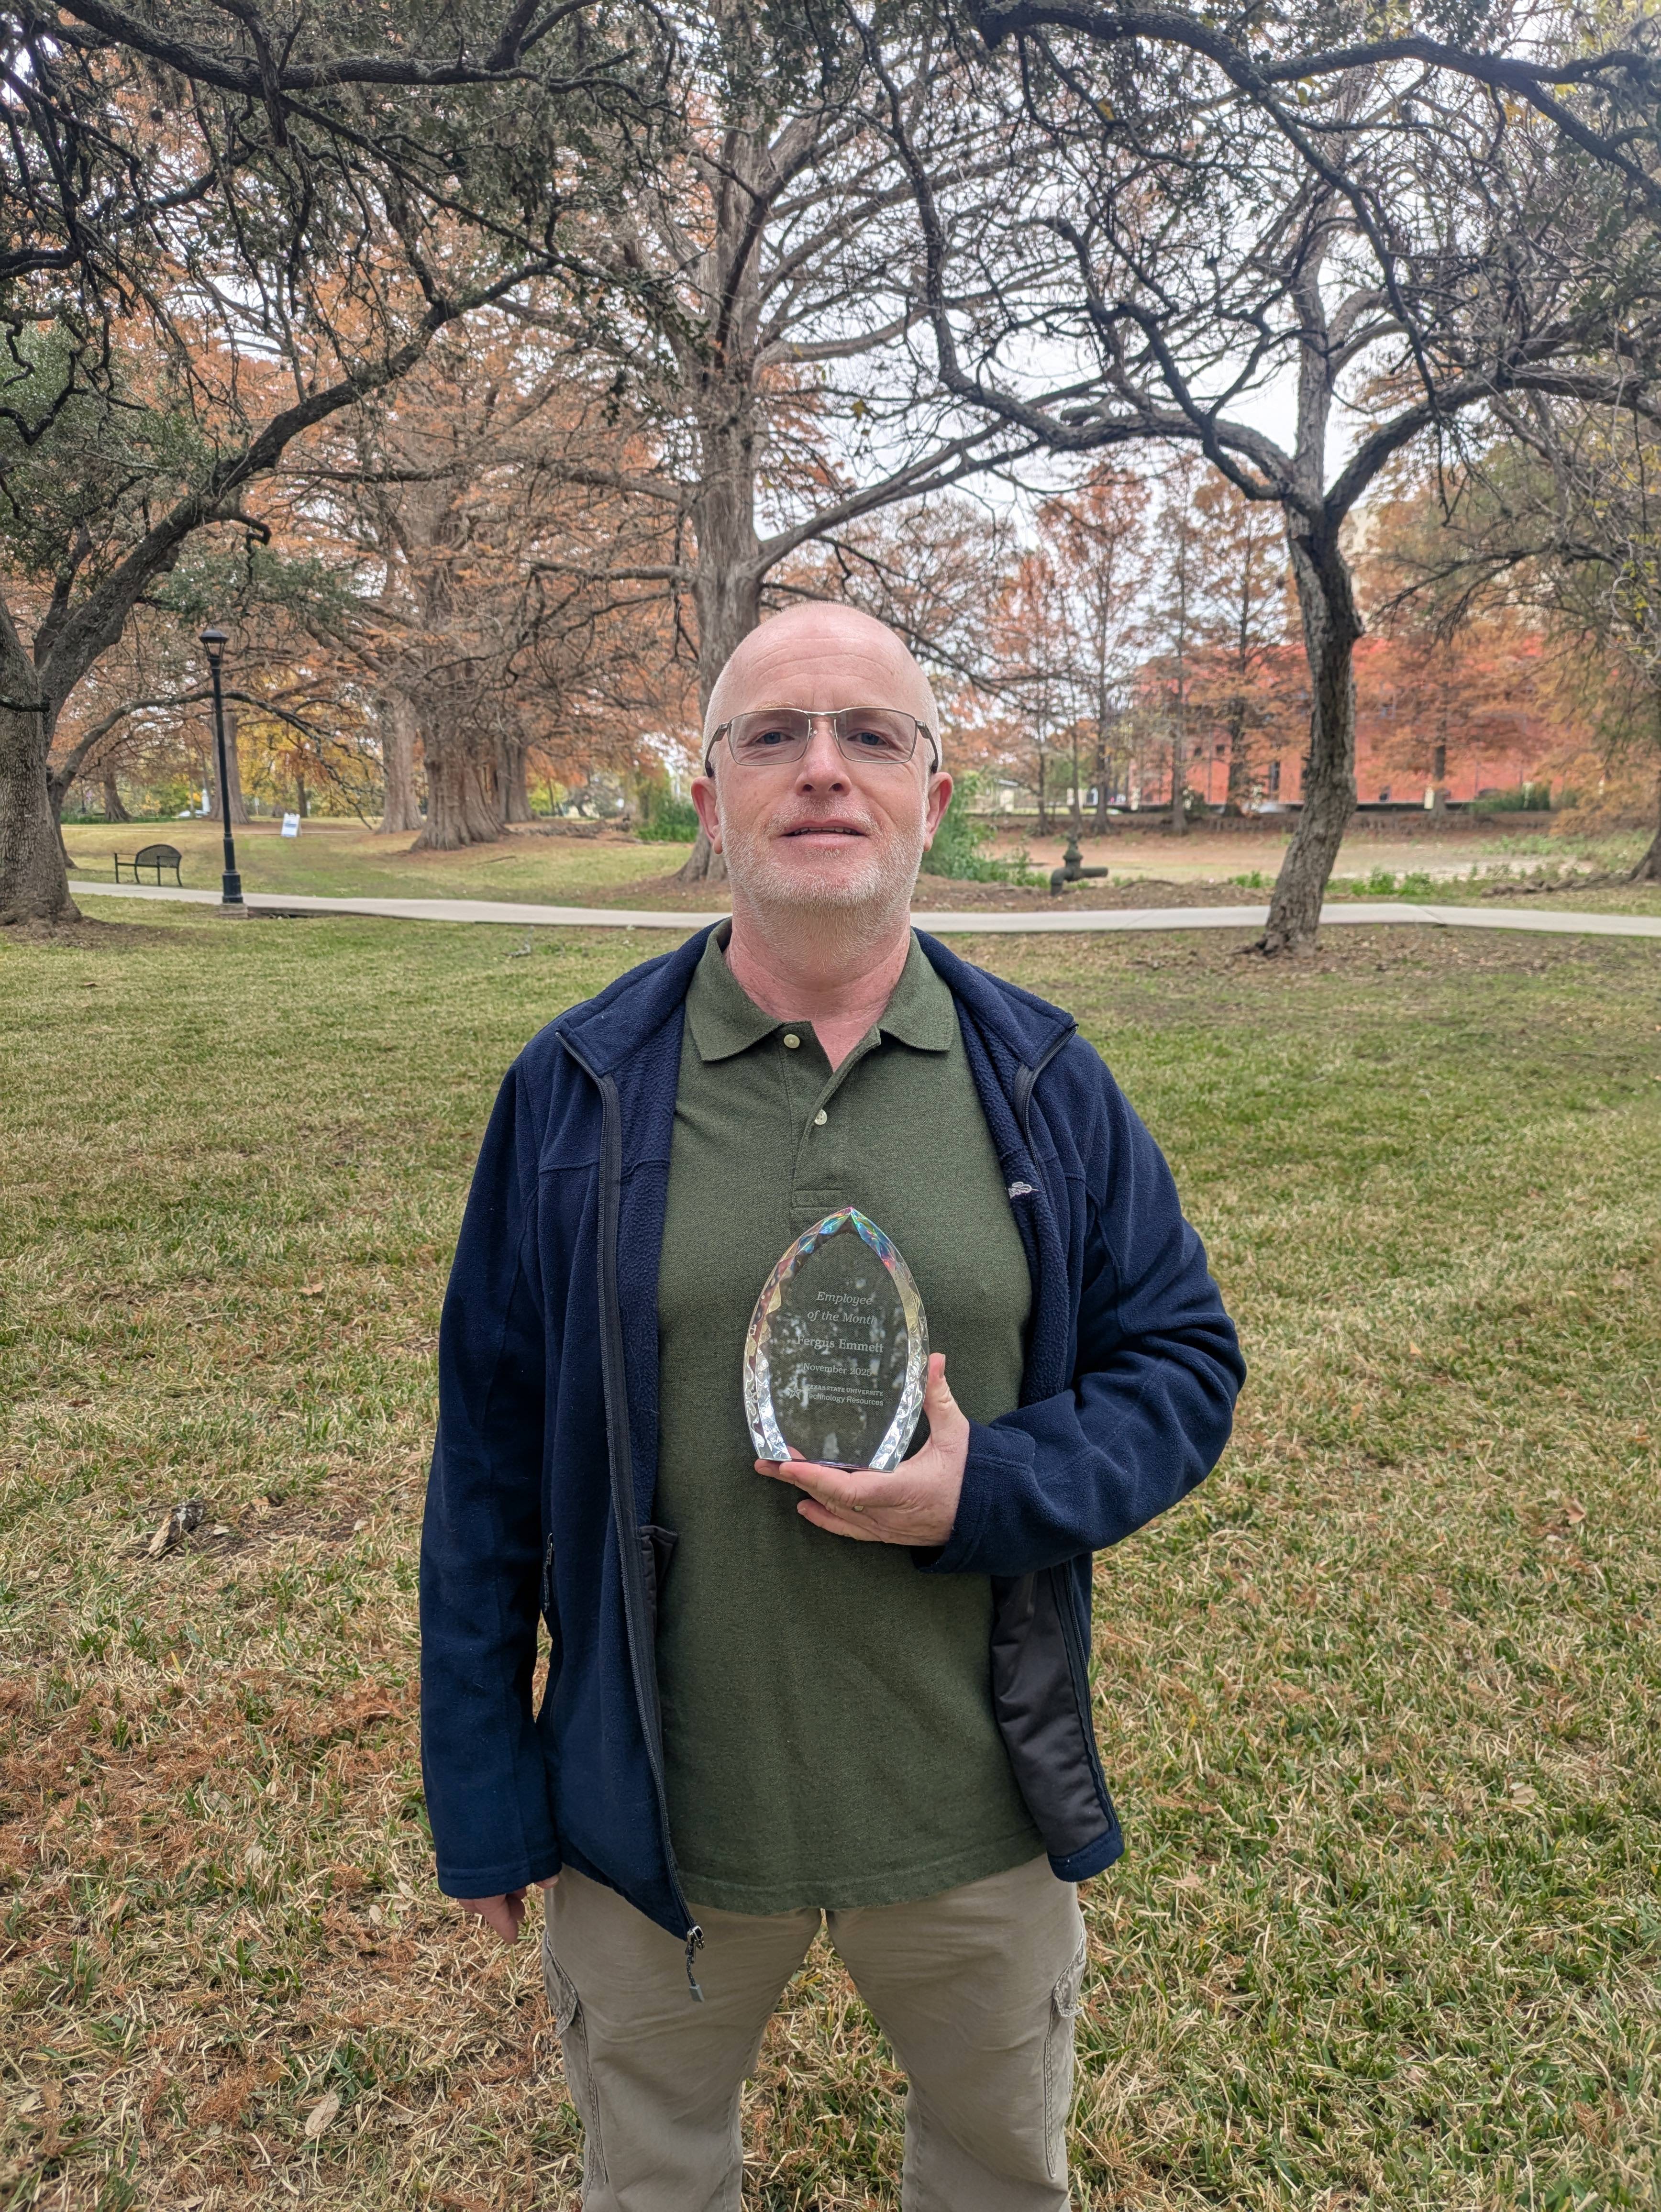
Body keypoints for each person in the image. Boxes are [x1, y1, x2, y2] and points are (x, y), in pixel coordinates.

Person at [420, 602, 1244, 2211]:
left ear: (932, 797)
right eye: (772, 737)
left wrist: (985, 1489)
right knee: (654, 2183)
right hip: (653, 1826)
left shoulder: (1041, 1082)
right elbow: (490, 1462)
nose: (822, 772)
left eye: (871, 736)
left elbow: (1184, 1364)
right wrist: (484, 1789)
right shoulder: (578, 1090)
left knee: (1001, 2179)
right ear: (712, 791)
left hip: (973, 1814)